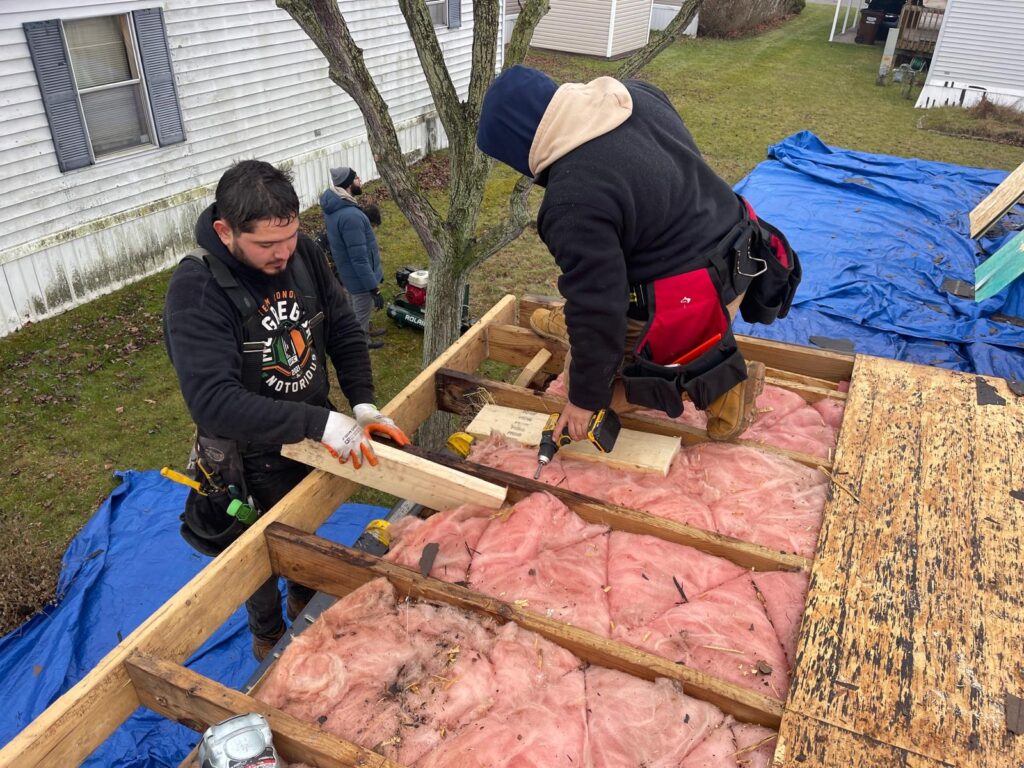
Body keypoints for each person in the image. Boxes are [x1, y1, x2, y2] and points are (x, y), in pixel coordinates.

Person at [163, 160, 408, 660]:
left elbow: (339, 324)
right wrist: (317, 422)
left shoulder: (304, 255)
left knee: (305, 534)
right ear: (224, 231)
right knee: (256, 557)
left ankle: (304, 603)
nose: (282, 254)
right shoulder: (198, 290)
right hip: (248, 456)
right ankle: (269, 639)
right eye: (266, 246)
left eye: (290, 238)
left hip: (309, 437)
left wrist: (360, 401)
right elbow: (213, 401)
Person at [476, 66, 800, 443]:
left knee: (589, 380)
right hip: (743, 255)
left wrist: (583, 399)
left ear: (520, 145)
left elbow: (601, 306)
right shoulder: (634, 96)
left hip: (692, 301)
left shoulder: (572, 199)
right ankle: (577, 326)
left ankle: (722, 388)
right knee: (593, 299)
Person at [320, 167, 385, 350]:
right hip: (358, 279)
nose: (360, 180)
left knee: (353, 310)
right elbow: (359, 258)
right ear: (349, 184)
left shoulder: (336, 207)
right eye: (356, 178)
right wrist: (373, 288)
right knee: (360, 313)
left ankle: (364, 334)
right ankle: (361, 345)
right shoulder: (351, 216)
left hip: (346, 273)